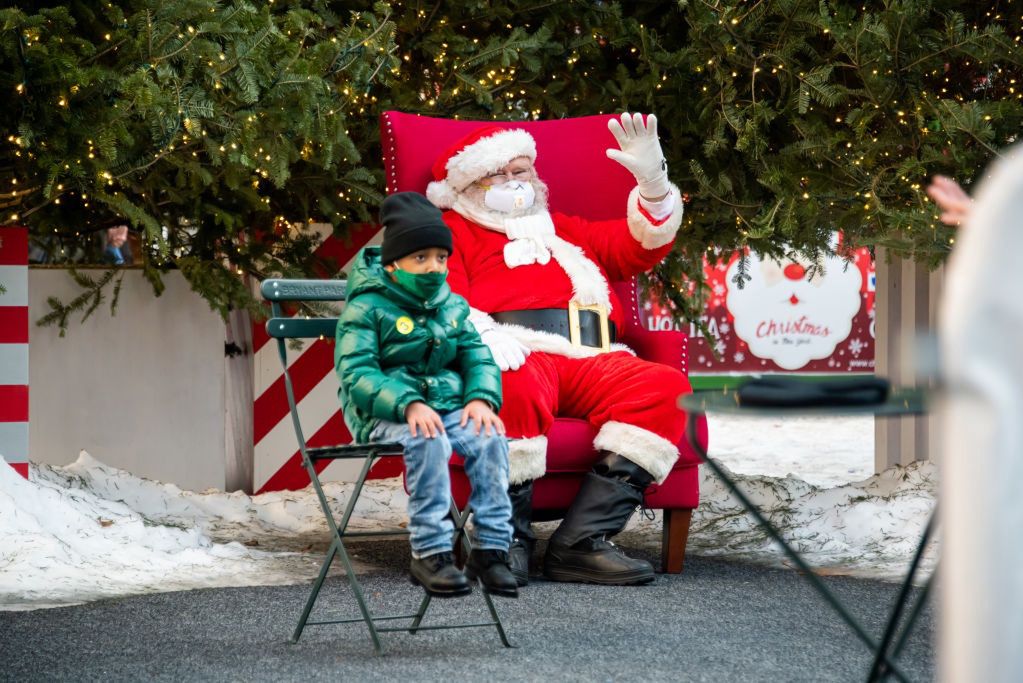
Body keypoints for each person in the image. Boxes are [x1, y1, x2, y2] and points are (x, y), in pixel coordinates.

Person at [424, 112, 692, 586]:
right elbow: (438, 297)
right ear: (467, 188)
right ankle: (506, 539)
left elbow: (639, 246)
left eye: (520, 170)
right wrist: (481, 336)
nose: (513, 181)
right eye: (497, 174)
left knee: (664, 387)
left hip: (593, 357)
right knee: (505, 381)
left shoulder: (566, 229)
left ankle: (581, 543)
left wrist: (653, 183)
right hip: (516, 350)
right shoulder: (452, 231)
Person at [334, 191, 517, 599]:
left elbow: (478, 358)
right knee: (428, 438)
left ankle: (491, 550)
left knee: (489, 437)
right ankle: (430, 552)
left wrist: (480, 398)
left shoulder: (451, 306)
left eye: (441, 257)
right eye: (421, 258)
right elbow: (357, 372)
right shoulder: (367, 308)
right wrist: (408, 403)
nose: (434, 267)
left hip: (445, 408)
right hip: (383, 412)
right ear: (393, 264)